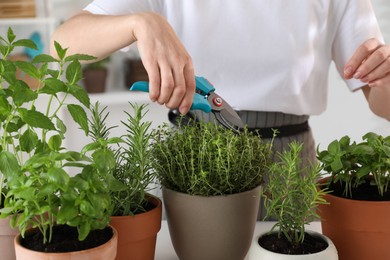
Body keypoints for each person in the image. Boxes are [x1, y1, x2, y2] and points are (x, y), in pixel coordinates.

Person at [51, 0, 390, 170]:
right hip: (191, 154)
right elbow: (61, 43)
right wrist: (139, 22)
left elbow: (380, 100)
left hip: (289, 162)